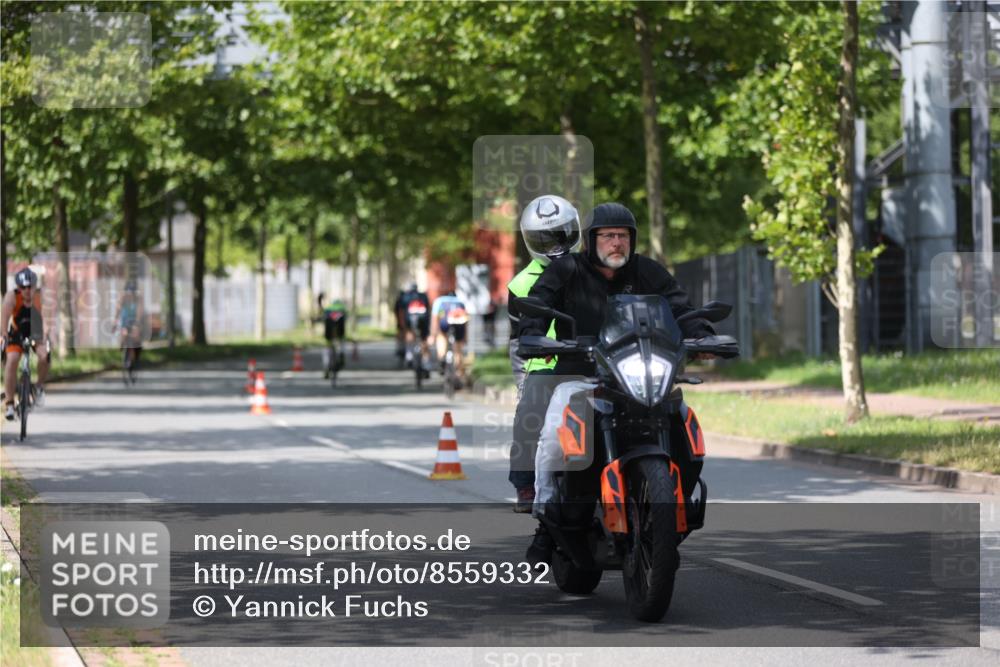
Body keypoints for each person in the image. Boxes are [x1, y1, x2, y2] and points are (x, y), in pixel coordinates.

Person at [516, 202, 716, 564]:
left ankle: (675, 506)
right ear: (591, 240)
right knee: (553, 437)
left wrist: (701, 335)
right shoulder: (567, 269)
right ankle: (546, 520)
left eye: (622, 236)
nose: (616, 243)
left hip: (640, 375)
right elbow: (539, 301)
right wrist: (533, 334)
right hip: (581, 376)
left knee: (683, 422)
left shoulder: (647, 271)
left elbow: (680, 306)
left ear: (632, 240)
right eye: (608, 236)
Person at [507, 194, 582, 512]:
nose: (556, 245)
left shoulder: (593, 270)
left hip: (590, 358)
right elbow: (515, 340)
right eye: (545, 239)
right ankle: (525, 484)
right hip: (543, 363)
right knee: (529, 413)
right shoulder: (520, 283)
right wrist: (522, 380)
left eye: (562, 235)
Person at [2, 268, 49, 420]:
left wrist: (45, 336)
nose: (27, 291)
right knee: (12, 360)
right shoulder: (12, 296)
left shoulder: (40, 297)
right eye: (23, 287)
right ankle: (10, 404)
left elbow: (47, 319)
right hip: (17, 333)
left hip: (36, 332)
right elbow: (4, 318)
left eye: (30, 287)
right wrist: (3, 335)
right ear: (18, 287)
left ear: (34, 286)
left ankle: (39, 387)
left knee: (44, 356)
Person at [430, 290, 469, 382]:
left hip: (445, 322)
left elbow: (435, 318)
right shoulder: (460, 302)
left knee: (441, 336)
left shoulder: (439, 301)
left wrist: (433, 335)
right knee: (458, 350)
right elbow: (466, 320)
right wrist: (465, 337)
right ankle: (458, 373)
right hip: (459, 323)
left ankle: (442, 357)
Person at [398, 282, 431, 375]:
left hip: (409, 320)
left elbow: (401, 311)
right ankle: (427, 363)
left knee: (409, 334)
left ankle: (409, 355)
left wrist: (402, 324)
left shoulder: (405, 297)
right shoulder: (423, 296)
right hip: (423, 321)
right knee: (424, 340)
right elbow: (428, 310)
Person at [115, 279, 144, 372]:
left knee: (136, 337)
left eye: (131, 292)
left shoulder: (138, 299)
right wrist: (115, 323)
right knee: (124, 334)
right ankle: (124, 351)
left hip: (135, 322)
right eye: (128, 292)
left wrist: (137, 324)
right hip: (125, 322)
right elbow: (117, 311)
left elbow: (139, 313)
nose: (130, 294)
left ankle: (136, 357)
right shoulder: (122, 298)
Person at [319, 293, 348, 377]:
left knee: (327, 347)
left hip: (328, 329)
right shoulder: (342, 308)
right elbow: (346, 319)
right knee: (342, 340)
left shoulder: (328, 308)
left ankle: (326, 367)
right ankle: (342, 354)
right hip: (340, 329)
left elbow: (323, 318)